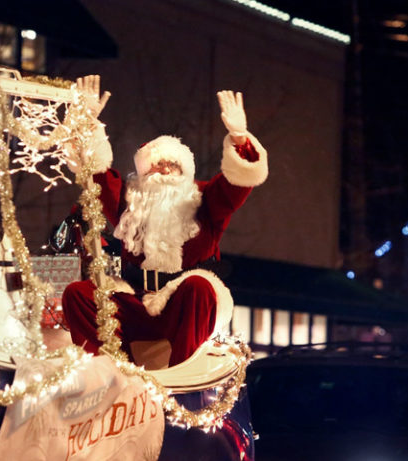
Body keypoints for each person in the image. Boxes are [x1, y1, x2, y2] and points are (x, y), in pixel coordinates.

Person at [62, 76, 268, 367]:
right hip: (134, 302)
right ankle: (103, 376)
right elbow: (93, 175)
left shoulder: (205, 199)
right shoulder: (130, 201)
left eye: (172, 165)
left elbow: (239, 183)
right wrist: (87, 126)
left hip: (185, 309)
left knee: (197, 287)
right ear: (143, 173)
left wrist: (239, 138)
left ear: (185, 171)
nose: (164, 170)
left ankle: (184, 384)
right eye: (156, 165)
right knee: (79, 294)